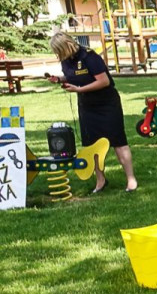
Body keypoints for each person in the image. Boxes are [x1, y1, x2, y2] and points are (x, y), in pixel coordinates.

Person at [46, 32, 137, 193]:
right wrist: (60, 79)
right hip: (87, 106)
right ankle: (101, 180)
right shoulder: (66, 60)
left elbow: (104, 81)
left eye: (59, 51)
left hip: (107, 104)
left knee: (118, 142)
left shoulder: (89, 56)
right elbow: (72, 76)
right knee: (91, 145)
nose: (58, 55)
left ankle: (131, 180)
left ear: (65, 46)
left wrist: (79, 89)